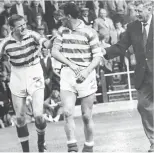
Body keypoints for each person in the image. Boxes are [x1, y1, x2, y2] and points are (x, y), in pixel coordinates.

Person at [0, 14, 55, 152]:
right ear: (12, 28)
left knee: (38, 115)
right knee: (20, 118)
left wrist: (50, 42)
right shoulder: (6, 42)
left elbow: (45, 42)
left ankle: (41, 143)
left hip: (34, 71)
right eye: (20, 26)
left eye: (24, 24)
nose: (24, 27)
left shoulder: (32, 35)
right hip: (17, 74)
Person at [51, 3, 103, 152]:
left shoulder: (90, 32)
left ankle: (88, 146)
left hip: (86, 74)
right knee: (67, 112)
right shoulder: (62, 31)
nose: (59, 18)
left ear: (68, 16)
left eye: (61, 15)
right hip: (68, 74)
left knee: (86, 116)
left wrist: (86, 72)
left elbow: (97, 56)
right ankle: (72, 146)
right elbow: (55, 52)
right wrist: (71, 65)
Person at [103, 1, 153, 152]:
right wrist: (103, 52)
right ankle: (153, 141)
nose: (136, 14)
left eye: (139, 11)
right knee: (143, 106)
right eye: (135, 11)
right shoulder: (132, 27)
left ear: (150, 9)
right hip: (143, 75)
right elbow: (120, 46)